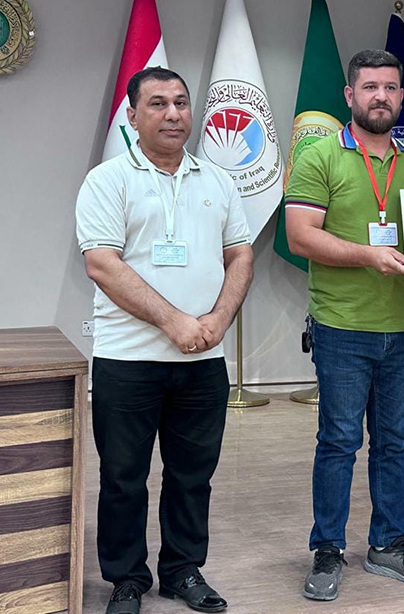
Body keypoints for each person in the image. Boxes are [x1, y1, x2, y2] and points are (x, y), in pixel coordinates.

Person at [76, 67, 253, 614]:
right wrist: (174, 321)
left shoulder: (217, 181)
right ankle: (127, 579)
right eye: (157, 104)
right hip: (127, 360)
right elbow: (102, 264)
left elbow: (240, 255)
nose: (173, 114)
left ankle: (182, 571)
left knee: (192, 475)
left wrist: (219, 319)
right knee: (123, 477)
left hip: (203, 360)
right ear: (132, 116)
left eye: (181, 102)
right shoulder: (107, 180)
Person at [285, 49, 404, 602]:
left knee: (395, 443)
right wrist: (366, 256)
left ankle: (388, 544)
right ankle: (328, 548)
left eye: (391, 87)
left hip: (403, 325)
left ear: (400, 97)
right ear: (350, 95)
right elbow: (300, 236)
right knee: (338, 442)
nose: (382, 96)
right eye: (371, 87)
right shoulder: (320, 156)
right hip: (342, 325)